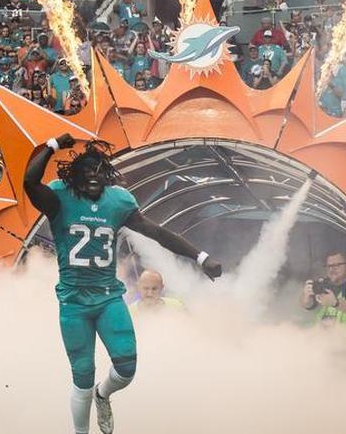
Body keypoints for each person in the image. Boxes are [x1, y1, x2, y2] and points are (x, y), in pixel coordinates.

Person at [24, 134, 222, 434]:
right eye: (86, 173)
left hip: (108, 297)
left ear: (107, 176)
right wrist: (52, 145)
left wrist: (201, 256)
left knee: (127, 369)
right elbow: (29, 181)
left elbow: (156, 233)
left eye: (98, 173)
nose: (93, 178)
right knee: (82, 376)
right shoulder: (59, 197)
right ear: (73, 176)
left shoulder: (117, 201)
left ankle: (103, 396)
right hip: (74, 302)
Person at [300, 251, 346, 332]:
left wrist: (336, 303)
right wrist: (306, 297)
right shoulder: (323, 284)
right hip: (324, 342)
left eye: (336, 265)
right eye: (328, 266)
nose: (331, 269)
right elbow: (307, 305)